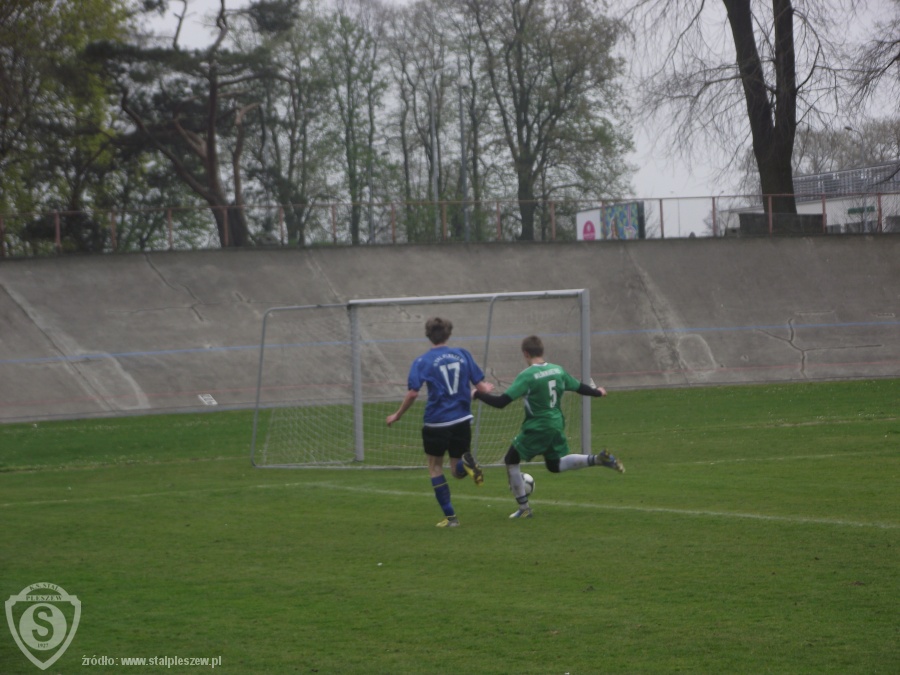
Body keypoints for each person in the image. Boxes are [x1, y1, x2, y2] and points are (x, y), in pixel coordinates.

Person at [473, 334, 624, 519]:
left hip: (538, 426)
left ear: (525, 353)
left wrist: (477, 394)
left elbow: (501, 402)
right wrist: (597, 392)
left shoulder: (527, 376)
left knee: (511, 459)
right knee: (554, 465)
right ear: (541, 351)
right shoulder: (557, 370)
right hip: (556, 423)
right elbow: (578, 387)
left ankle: (524, 508)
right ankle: (598, 459)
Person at [386, 317, 494, 528]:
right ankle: (466, 464)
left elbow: (413, 393)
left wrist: (397, 415)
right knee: (456, 471)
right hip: (462, 420)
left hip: (436, 422)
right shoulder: (463, 354)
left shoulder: (422, 361)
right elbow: (482, 387)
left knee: (435, 467)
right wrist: (485, 389)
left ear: (428, 335)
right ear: (448, 334)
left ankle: (451, 518)